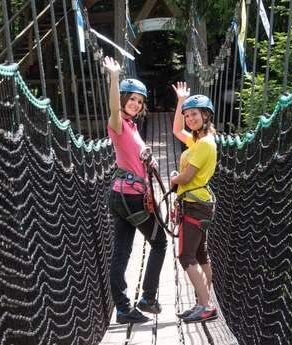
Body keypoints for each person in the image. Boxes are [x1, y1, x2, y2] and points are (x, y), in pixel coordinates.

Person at [103, 56, 167, 324]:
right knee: (160, 243)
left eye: (140, 102)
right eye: (132, 99)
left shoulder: (132, 128)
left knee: (121, 253)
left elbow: (134, 157)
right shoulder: (117, 124)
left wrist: (148, 161)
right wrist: (114, 77)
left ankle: (123, 309)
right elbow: (114, 109)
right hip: (130, 196)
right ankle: (148, 297)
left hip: (122, 196)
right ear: (124, 98)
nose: (135, 104)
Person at [170, 82, 218, 323]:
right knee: (200, 255)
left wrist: (173, 179)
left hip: (195, 203)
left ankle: (206, 305)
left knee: (186, 256)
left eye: (194, 114)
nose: (189, 119)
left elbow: (186, 177)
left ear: (206, 115)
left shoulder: (204, 144)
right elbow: (177, 131)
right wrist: (181, 101)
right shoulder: (200, 141)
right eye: (187, 115)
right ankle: (203, 302)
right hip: (200, 202)